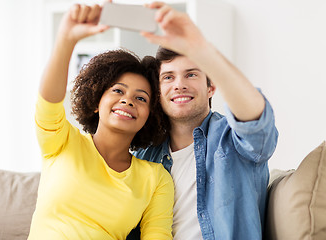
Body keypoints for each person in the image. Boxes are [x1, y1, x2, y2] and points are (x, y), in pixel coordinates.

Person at [133, 2, 279, 240]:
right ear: (159, 93)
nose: (179, 84)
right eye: (168, 77)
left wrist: (201, 48)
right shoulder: (144, 156)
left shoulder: (234, 142)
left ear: (211, 87)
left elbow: (256, 122)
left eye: (191, 74)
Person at [28, 3, 174, 240]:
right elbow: (48, 101)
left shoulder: (156, 178)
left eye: (140, 98)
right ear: (97, 101)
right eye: (118, 91)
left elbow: (158, 235)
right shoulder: (62, 141)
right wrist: (66, 39)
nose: (128, 101)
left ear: (150, 116)